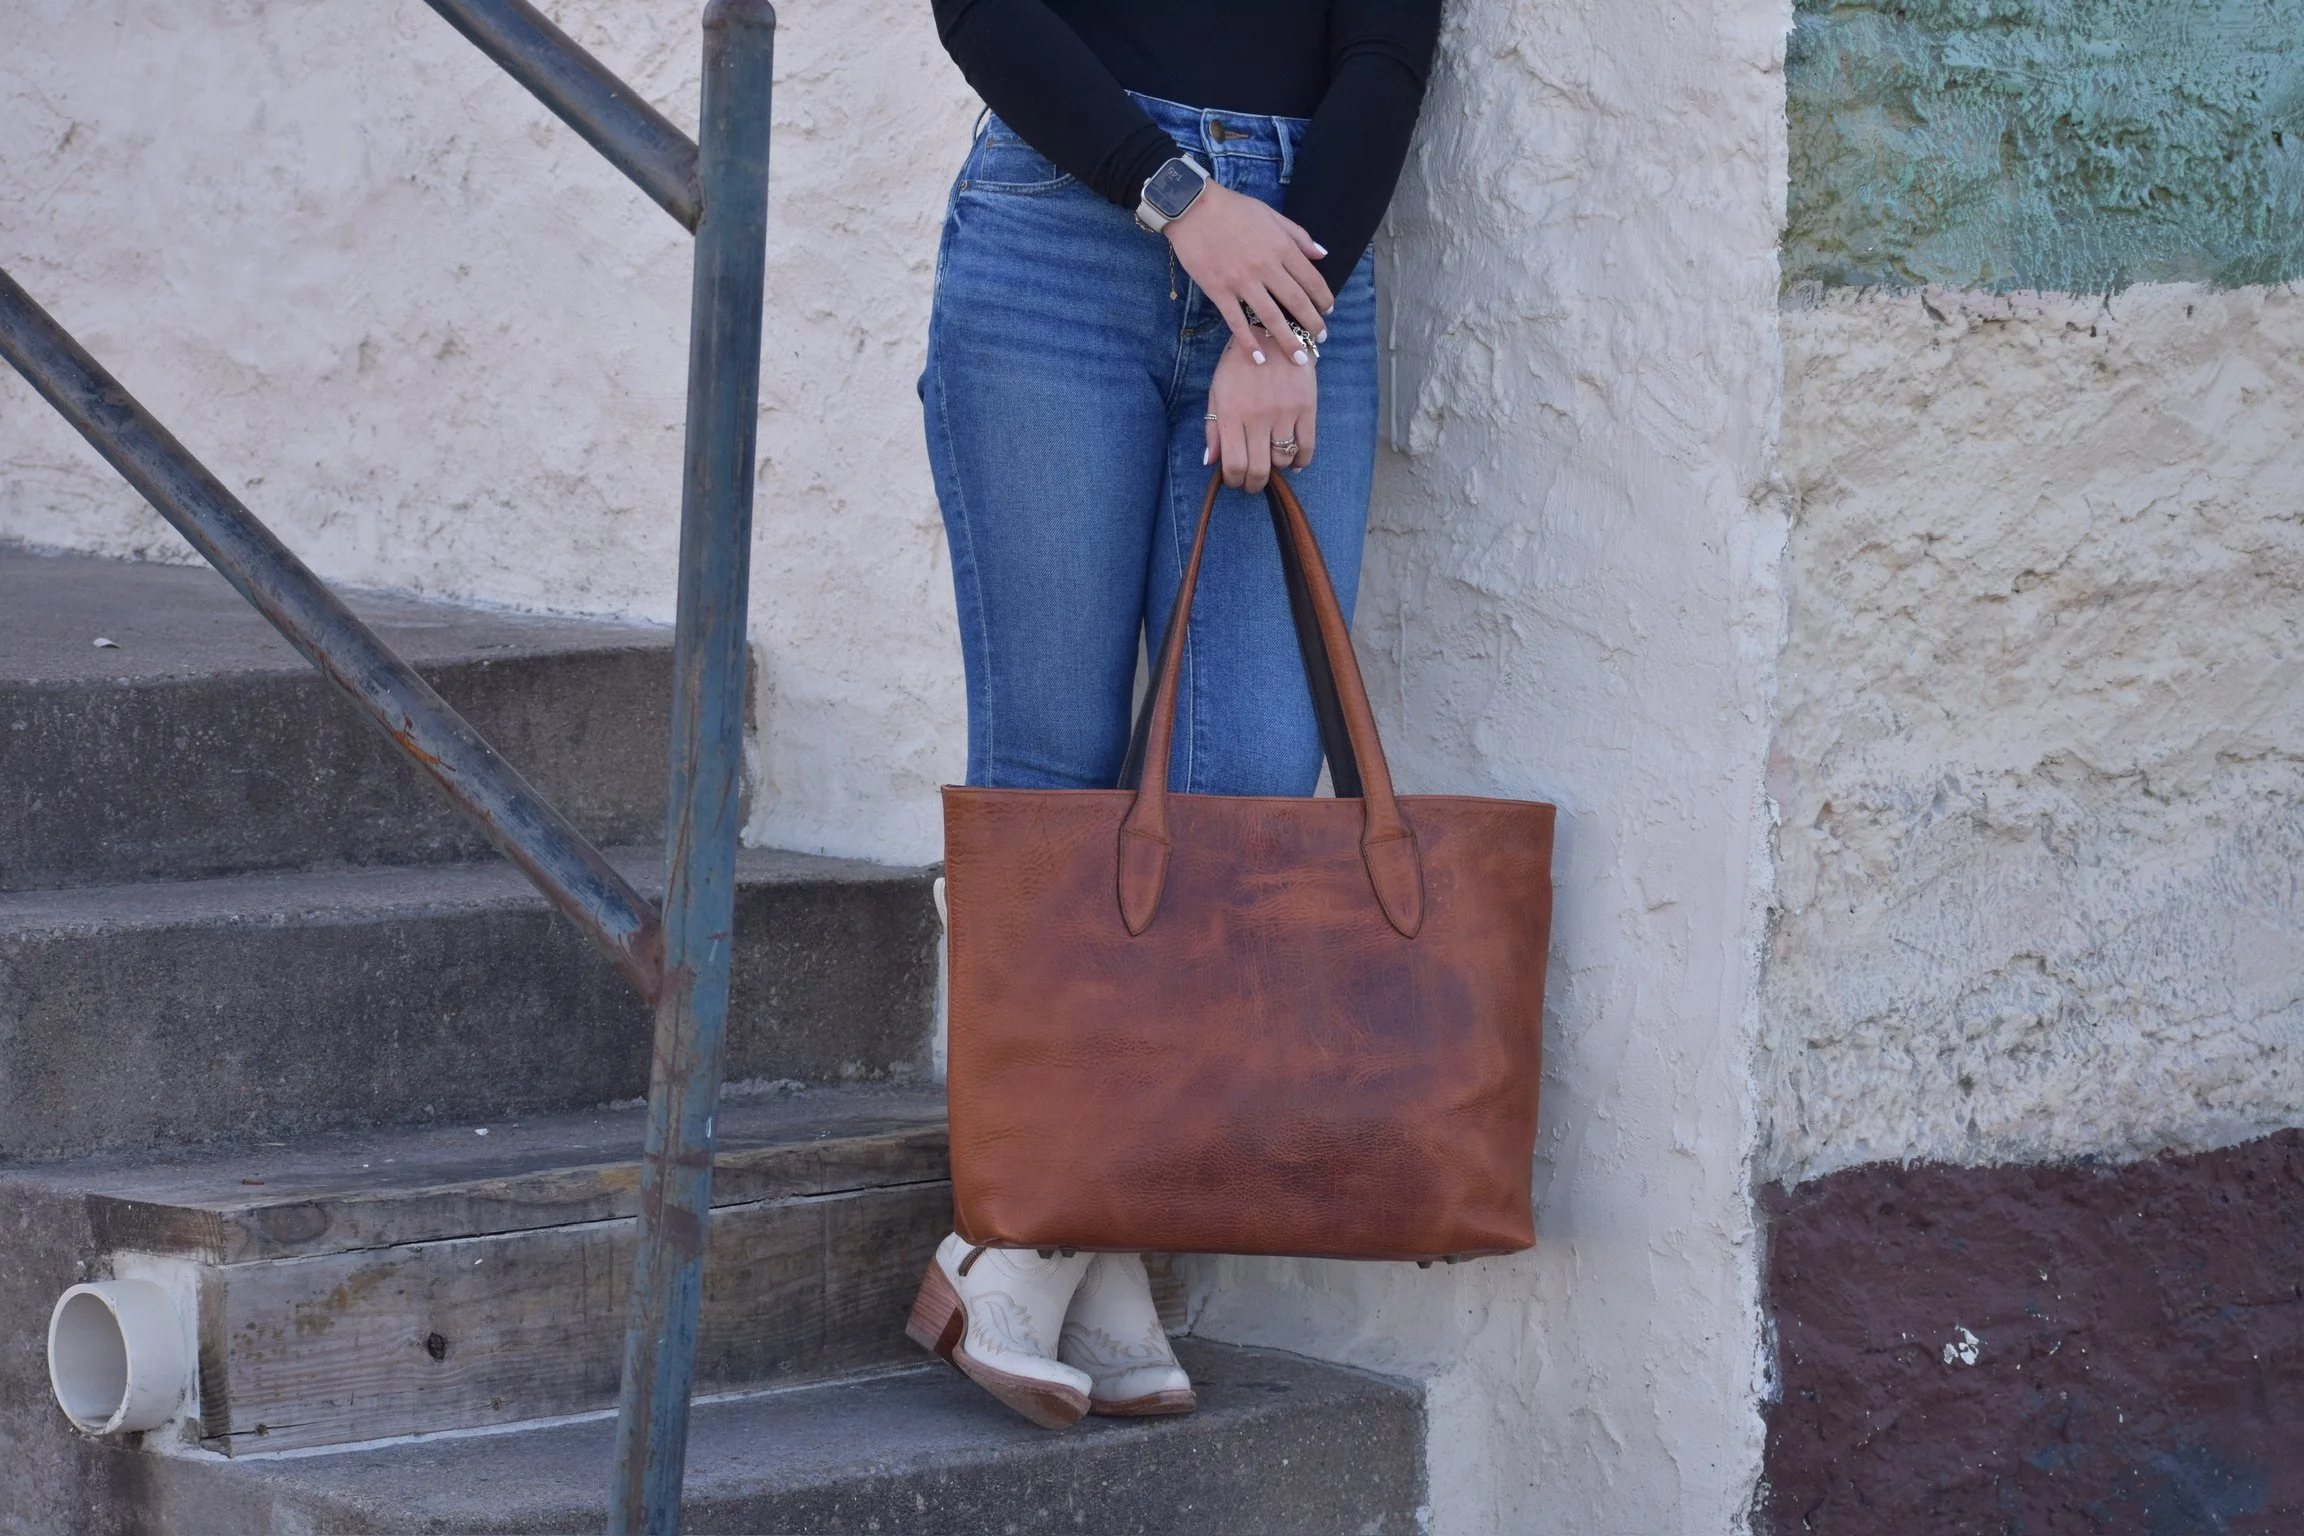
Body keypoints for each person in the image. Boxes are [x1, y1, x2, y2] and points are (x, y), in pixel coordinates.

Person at [909, 0, 1443, 1429]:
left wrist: (1278, 317)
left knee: (1245, 792)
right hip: (1060, 230)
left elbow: (1387, 48)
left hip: (1303, 248)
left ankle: (1030, 1237)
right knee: (1049, 774)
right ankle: (1085, 1244)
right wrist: (1181, 201)